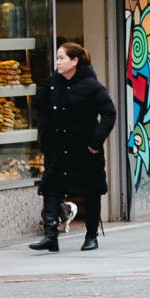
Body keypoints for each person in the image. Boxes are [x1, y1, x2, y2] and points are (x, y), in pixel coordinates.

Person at [31, 42, 116, 252]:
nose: (57, 62)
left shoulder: (91, 86)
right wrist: (45, 135)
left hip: (85, 149)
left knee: (91, 190)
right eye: (57, 58)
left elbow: (109, 113)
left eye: (62, 58)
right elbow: (42, 109)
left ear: (75, 61)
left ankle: (91, 236)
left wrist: (96, 142)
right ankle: (50, 236)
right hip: (57, 148)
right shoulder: (53, 84)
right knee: (50, 189)